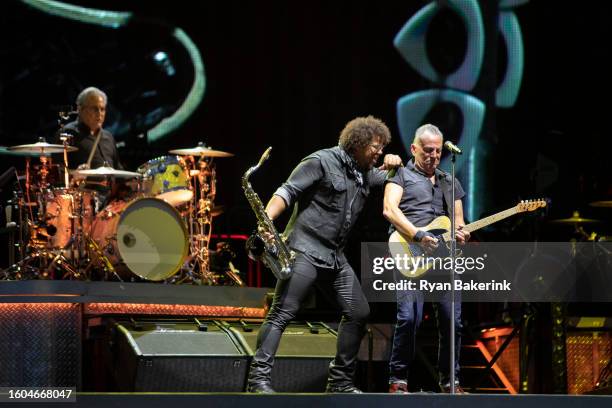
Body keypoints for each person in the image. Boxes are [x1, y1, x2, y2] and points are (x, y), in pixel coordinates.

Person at [247, 116, 402, 394]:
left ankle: (339, 382)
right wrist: (265, 223)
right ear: (358, 143)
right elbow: (287, 192)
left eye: (382, 147)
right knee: (282, 312)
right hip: (304, 249)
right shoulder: (320, 161)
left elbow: (391, 175)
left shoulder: (364, 172)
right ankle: (257, 380)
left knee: (359, 311)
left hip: (334, 257)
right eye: (376, 147)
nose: (379, 151)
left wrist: (395, 162)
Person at [382, 124, 470, 393]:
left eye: (438, 151)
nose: (434, 156)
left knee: (451, 320)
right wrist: (418, 235)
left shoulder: (449, 181)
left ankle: (449, 381)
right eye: (428, 150)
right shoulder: (401, 175)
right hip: (409, 252)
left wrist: (462, 234)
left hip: (442, 261)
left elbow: (458, 222)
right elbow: (389, 210)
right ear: (414, 149)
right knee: (409, 318)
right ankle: (398, 380)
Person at [61, 86, 123, 170]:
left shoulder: (108, 137)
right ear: (80, 109)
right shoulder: (67, 134)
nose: (99, 114)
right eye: (95, 109)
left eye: (102, 109)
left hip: (110, 183)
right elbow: (59, 171)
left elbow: (118, 171)